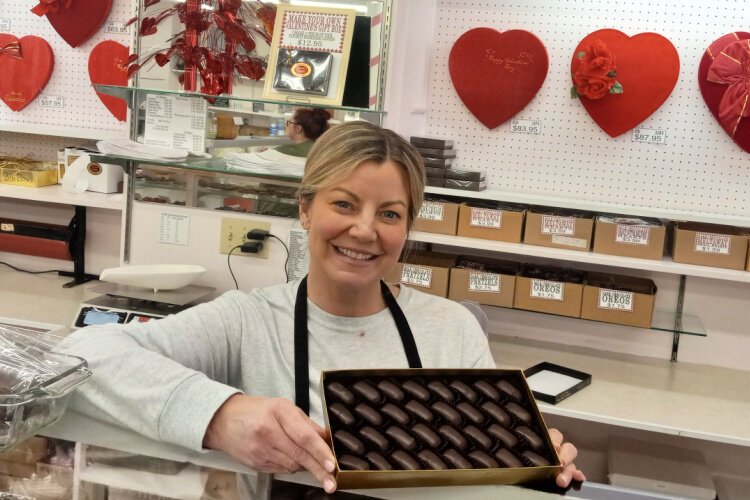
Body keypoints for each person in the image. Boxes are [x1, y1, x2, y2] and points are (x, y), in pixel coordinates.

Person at [66, 121, 584, 497]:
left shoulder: (453, 329)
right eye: (344, 204)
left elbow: (481, 473)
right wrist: (219, 415)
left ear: (407, 228)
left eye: (389, 213)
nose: (364, 230)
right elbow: (81, 358)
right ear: (305, 207)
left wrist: (530, 464)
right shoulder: (246, 321)